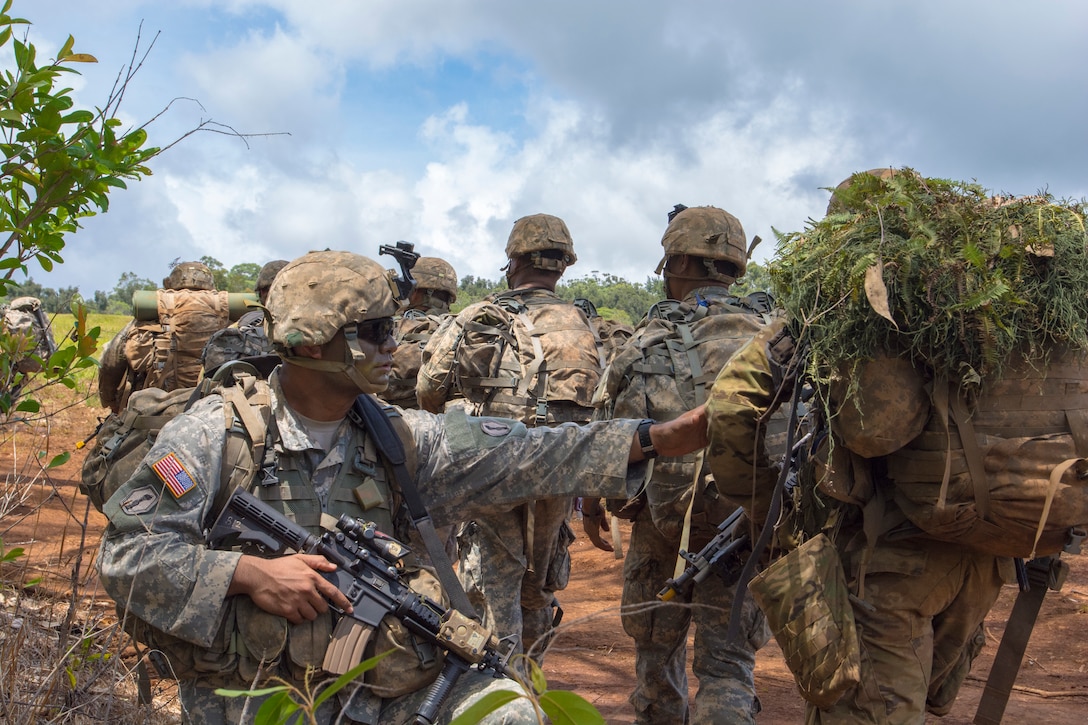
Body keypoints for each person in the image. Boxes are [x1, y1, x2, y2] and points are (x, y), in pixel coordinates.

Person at [95, 249, 709, 725]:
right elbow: (128, 557)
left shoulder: (399, 437)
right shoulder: (213, 435)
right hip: (252, 698)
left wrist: (659, 437)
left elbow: (524, 450)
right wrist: (248, 575)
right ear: (312, 340)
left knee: (510, 711)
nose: (394, 345)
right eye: (375, 331)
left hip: (375, 689)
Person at [703, 169, 1059, 724]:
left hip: (888, 562)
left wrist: (758, 509)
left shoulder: (837, 308)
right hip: (987, 548)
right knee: (918, 700)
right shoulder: (1002, 306)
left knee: (870, 710)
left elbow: (732, 407)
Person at [583, 204, 774, 724]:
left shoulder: (645, 343)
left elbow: (611, 444)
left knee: (655, 658)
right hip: (751, 525)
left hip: (663, 526)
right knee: (729, 668)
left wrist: (593, 504)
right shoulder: (777, 339)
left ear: (681, 264)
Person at [416, 214, 604, 664]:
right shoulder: (583, 324)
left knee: (492, 592)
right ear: (562, 266)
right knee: (536, 589)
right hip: (558, 470)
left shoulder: (479, 315)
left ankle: (499, 693)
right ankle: (532, 689)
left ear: (512, 261)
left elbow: (427, 393)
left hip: (489, 467)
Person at [97, 261, 229, 413]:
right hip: (213, 411)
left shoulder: (150, 317)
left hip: (153, 412)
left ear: (171, 284)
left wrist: (110, 402)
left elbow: (111, 362)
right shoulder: (228, 321)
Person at [383, 255, 459, 410]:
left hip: (381, 417)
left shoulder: (385, 325)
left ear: (415, 292)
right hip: (436, 424)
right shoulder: (457, 329)